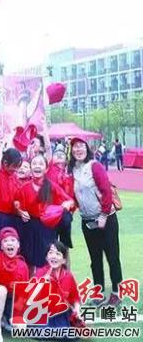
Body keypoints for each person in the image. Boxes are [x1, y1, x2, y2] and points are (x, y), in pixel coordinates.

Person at [69, 137, 122, 306]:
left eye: (81, 146)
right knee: (95, 259)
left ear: (87, 148)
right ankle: (98, 293)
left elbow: (106, 191)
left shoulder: (95, 166)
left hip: (106, 219)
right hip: (87, 221)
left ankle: (116, 292)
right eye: (75, 147)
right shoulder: (72, 170)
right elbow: (75, 196)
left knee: (112, 256)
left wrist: (104, 215)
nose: (78, 149)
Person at [34, 241, 82, 337]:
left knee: (70, 336)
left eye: (58, 254)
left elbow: (75, 298)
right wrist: (42, 283)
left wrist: (77, 311)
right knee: (44, 334)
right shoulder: (40, 273)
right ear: (46, 257)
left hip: (61, 314)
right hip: (43, 314)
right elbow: (32, 299)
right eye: (51, 253)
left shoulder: (68, 276)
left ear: (64, 260)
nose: (54, 256)